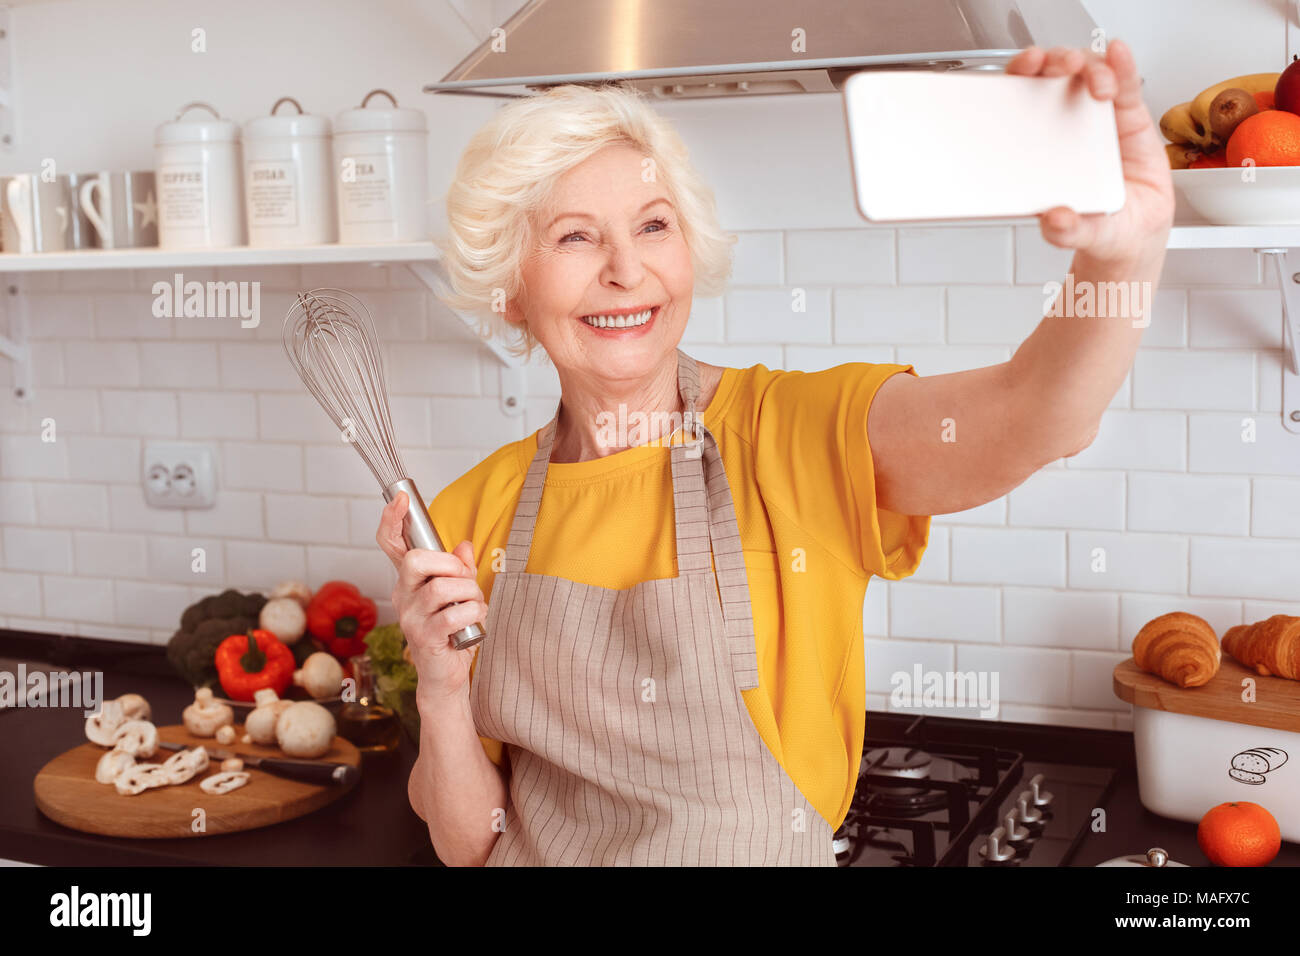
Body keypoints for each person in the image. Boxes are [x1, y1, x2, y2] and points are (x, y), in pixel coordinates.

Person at [377, 41, 1175, 866]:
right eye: (576, 238)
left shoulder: (794, 436)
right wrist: (438, 690)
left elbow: (1040, 414)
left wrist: (1123, 255)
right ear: (509, 287)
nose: (627, 270)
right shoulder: (474, 513)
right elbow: (472, 843)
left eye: (654, 226)